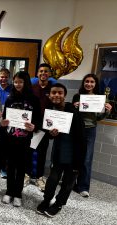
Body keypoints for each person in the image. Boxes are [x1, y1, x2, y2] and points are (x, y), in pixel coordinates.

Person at [36, 83, 86, 217]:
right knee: (52, 179)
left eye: (60, 93)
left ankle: (58, 204)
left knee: (68, 182)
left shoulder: (74, 112)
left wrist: (79, 162)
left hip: (73, 154)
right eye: (54, 93)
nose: (56, 95)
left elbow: (82, 138)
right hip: (58, 153)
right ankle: (46, 200)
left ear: (64, 95)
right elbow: (47, 133)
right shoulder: (50, 111)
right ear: (49, 95)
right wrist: (50, 134)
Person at [1, 71, 41, 207]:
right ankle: (9, 191)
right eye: (16, 82)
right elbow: (5, 118)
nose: (18, 84)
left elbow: (38, 120)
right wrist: (3, 122)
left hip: (25, 140)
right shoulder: (10, 98)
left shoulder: (34, 100)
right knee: (10, 166)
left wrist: (33, 127)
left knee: (21, 167)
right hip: (10, 139)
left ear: (26, 83)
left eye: (21, 82)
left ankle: (18, 193)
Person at [72, 74, 112, 197]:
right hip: (77, 129)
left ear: (95, 84)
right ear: (83, 83)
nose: (89, 84)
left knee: (87, 159)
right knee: (74, 157)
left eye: (92, 82)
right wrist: (74, 107)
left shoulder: (100, 98)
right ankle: (70, 182)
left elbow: (98, 118)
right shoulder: (77, 96)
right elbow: (72, 115)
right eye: (86, 81)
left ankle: (83, 187)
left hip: (90, 130)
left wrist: (107, 111)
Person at [25, 63, 54, 191]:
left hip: (45, 126)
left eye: (46, 71)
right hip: (31, 125)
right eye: (41, 71)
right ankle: (26, 175)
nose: (43, 73)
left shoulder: (53, 89)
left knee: (42, 152)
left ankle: (39, 177)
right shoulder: (31, 88)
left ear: (49, 74)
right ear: (37, 74)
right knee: (28, 151)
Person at [0, 68, 13, 178]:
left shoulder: (12, 89)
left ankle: (3, 168)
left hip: (7, 121)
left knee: (5, 146)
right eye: (2, 76)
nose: (4, 79)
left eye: (6, 77)